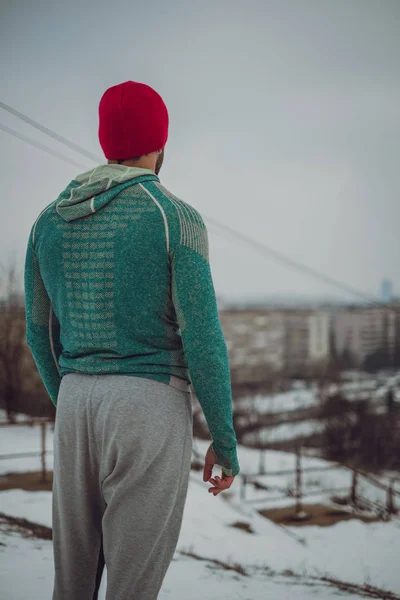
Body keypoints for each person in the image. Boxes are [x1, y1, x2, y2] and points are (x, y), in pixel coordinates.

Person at [24, 80, 240, 600]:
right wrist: (224, 440)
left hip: (76, 399)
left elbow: (37, 329)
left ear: (105, 141)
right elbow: (203, 335)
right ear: (160, 143)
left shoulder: (47, 222)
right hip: (148, 402)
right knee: (133, 584)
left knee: (71, 581)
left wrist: (70, 398)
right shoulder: (174, 218)